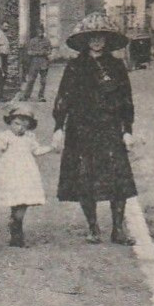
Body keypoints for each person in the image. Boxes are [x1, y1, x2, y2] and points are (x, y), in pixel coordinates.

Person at [53, 24, 138, 245]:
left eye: (101, 38)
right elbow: (64, 97)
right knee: (85, 178)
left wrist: (127, 130)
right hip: (81, 129)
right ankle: (93, 227)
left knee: (118, 179)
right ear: (85, 41)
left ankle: (118, 229)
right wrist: (58, 127)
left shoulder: (117, 66)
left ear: (107, 41)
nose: (97, 42)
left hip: (109, 128)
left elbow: (126, 101)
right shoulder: (75, 66)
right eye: (92, 38)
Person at [0, 101, 56, 248]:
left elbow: (36, 151)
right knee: (15, 198)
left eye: (24, 125)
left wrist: (51, 147)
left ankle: (16, 222)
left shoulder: (29, 138)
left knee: (24, 199)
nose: (20, 128)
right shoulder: (5, 136)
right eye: (17, 123)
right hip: (10, 173)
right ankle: (16, 229)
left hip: (26, 173)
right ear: (10, 122)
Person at [15, 31, 53, 102]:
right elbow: (29, 52)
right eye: (39, 32)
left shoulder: (47, 41)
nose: (40, 33)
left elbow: (50, 51)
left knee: (43, 81)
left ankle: (41, 96)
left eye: (41, 32)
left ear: (43, 32)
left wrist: (45, 53)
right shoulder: (32, 41)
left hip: (44, 62)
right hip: (34, 62)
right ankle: (26, 96)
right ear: (37, 33)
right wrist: (38, 53)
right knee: (31, 80)